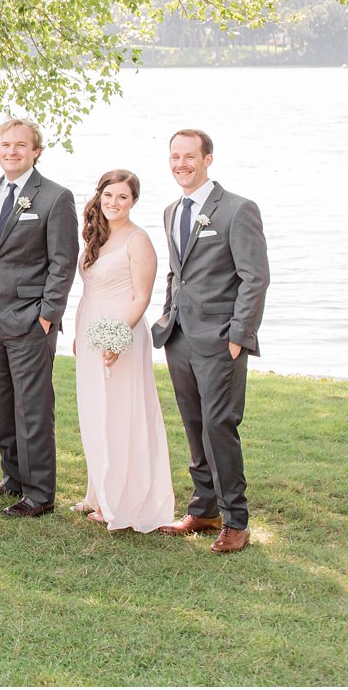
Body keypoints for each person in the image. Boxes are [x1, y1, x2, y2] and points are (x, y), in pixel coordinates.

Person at [151, 129, 269, 553]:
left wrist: (239, 336)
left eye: (189, 156)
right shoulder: (171, 211)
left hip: (221, 340)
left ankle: (236, 521)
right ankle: (204, 509)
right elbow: (175, 272)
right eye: (174, 157)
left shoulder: (237, 210)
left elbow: (255, 278)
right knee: (194, 424)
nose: (181, 164)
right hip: (179, 337)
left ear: (208, 159)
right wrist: (167, 317)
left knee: (220, 426)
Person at [0, 117, 78, 518]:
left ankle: (40, 492)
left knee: (33, 406)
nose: (11, 152)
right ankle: (12, 477)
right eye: (4, 145)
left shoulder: (54, 197)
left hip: (31, 319)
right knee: (1, 402)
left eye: (20, 146)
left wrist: (48, 315)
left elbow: (64, 262)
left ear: (36, 151)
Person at [70, 170, 175, 531]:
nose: (114, 203)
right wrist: (80, 330)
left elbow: (142, 297)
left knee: (119, 412)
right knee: (94, 410)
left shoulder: (138, 240)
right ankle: (97, 492)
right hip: (90, 327)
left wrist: (116, 336)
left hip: (121, 330)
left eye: (123, 197)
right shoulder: (95, 238)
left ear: (133, 202)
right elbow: (89, 289)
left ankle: (122, 499)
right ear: (99, 197)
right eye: (109, 196)